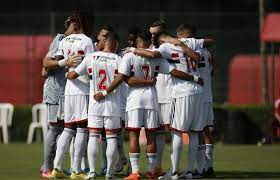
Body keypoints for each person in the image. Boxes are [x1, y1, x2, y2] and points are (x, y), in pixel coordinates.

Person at [94, 31, 203, 180]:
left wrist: (105, 92)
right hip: (152, 98)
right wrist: (195, 78)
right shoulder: (157, 57)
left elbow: (127, 80)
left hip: (135, 99)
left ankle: (136, 172)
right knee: (151, 137)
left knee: (134, 136)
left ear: (138, 42)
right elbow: (175, 72)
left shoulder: (129, 55)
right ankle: (151, 171)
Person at [50, 11, 95, 179]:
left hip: (68, 89)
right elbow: (90, 65)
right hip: (82, 88)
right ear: (84, 23)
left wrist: (69, 70)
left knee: (68, 129)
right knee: (82, 129)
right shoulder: (87, 41)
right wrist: (76, 72)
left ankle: (57, 168)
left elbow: (59, 59)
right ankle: (76, 170)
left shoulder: (65, 40)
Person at [40, 15, 79, 178]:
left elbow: (46, 68)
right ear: (75, 25)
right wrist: (63, 63)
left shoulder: (75, 41)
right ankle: (47, 168)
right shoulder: (61, 39)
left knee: (65, 129)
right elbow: (46, 63)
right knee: (55, 128)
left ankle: (54, 166)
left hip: (66, 91)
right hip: (57, 91)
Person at [176, 24, 215, 177]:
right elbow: (213, 70)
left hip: (197, 95)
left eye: (179, 37)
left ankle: (199, 169)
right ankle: (208, 166)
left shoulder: (190, 50)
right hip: (207, 95)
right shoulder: (206, 52)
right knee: (205, 131)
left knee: (196, 132)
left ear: (186, 36)